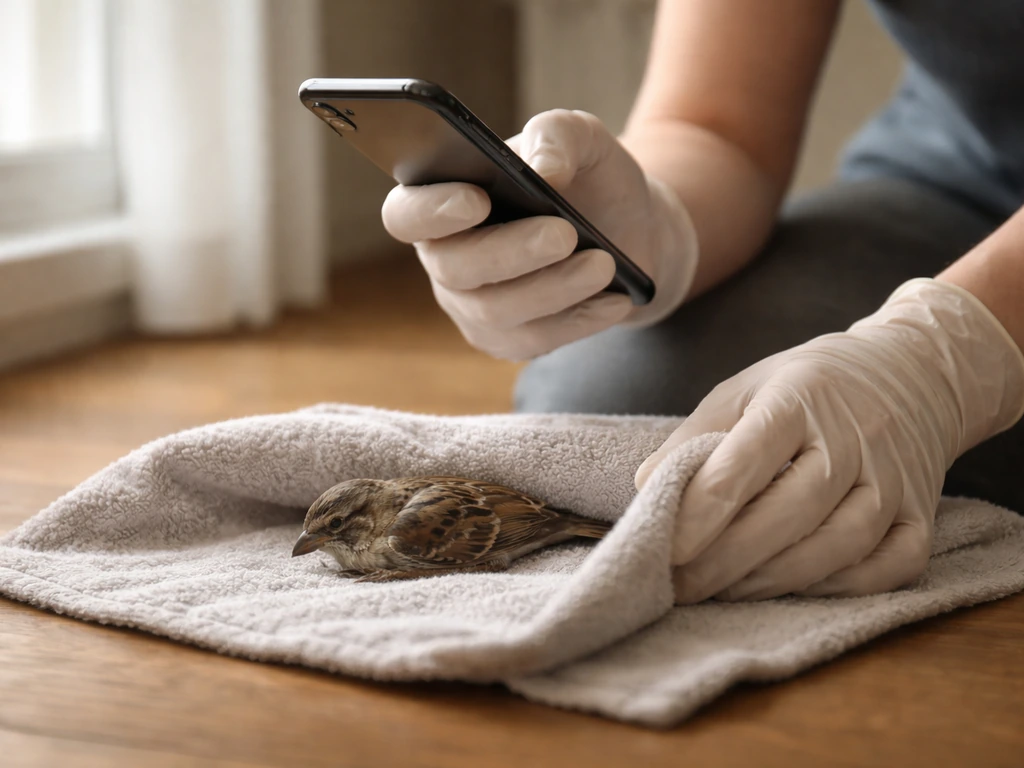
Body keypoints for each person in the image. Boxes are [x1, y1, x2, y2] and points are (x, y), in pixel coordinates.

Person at [380, 0, 1024, 603]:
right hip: (958, 175)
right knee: (620, 395)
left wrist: (948, 357)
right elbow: (718, 121)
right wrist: (657, 226)